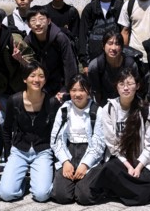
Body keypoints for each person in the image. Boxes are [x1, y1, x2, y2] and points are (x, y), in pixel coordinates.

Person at [0, 61, 60, 202]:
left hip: (43, 151)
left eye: (41, 76)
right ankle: (20, 183)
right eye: (32, 75)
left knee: (42, 195)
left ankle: (32, 182)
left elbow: (57, 133)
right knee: (6, 194)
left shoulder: (52, 102)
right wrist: (8, 156)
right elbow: (6, 130)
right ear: (25, 79)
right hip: (19, 150)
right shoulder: (15, 100)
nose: (37, 80)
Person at [96, 68, 150, 206]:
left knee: (149, 185)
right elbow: (113, 145)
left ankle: (122, 191)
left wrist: (139, 167)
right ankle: (130, 190)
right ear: (116, 86)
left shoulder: (146, 109)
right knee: (110, 169)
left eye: (130, 83)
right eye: (121, 84)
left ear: (137, 85)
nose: (125, 88)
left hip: (143, 161)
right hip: (122, 161)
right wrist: (129, 166)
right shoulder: (109, 109)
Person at [50, 74, 105, 205]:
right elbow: (55, 139)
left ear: (89, 91)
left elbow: (99, 142)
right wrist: (65, 162)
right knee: (61, 195)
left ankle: (93, 186)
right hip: (68, 151)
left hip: (89, 152)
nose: (77, 94)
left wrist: (85, 164)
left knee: (84, 197)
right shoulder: (64, 109)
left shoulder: (98, 111)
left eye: (82, 90)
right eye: (73, 90)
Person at [24, 6, 78, 100]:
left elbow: (69, 66)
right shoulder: (28, 41)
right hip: (40, 84)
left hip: (60, 83)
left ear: (49, 21)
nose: (37, 24)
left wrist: (67, 90)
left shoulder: (60, 38)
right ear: (28, 24)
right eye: (33, 20)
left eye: (41, 19)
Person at [78, 0, 124, 73]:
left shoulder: (120, 6)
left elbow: (125, 33)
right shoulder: (90, 9)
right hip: (94, 59)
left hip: (115, 58)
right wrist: (85, 63)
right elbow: (83, 36)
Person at [87, 30, 139, 106]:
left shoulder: (130, 64)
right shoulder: (95, 66)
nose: (113, 48)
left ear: (122, 47)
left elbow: (137, 89)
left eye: (117, 44)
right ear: (103, 46)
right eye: (110, 43)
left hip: (127, 103)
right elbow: (95, 92)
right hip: (104, 104)